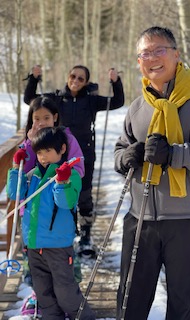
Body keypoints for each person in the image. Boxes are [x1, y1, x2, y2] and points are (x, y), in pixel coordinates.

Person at [114, 26, 190, 320]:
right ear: (138, 61)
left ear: (175, 54)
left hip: (187, 219)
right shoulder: (137, 107)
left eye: (160, 50)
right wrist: (125, 158)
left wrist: (173, 154)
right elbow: (120, 149)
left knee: (182, 305)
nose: (152, 58)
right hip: (140, 217)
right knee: (128, 301)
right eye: (145, 53)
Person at [24, 64, 125, 256]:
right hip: (54, 154)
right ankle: (66, 230)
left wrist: (115, 81)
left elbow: (117, 102)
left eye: (81, 78)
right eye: (73, 76)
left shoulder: (91, 100)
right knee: (57, 194)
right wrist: (34, 79)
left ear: (86, 82)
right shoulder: (57, 98)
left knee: (84, 193)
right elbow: (30, 99)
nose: (76, 81)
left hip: (83, 155)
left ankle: (86, 234)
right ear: (68, 77)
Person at [7, 127, 95, 320]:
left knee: (66, 294)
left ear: (62, 149)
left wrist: (62, 182)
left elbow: (66, 202)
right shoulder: (32, 176)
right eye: (39, 152)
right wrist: (16, 168)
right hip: (34, 246)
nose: (43, 156)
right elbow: (15, 194)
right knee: (44, 295)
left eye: (48, 151)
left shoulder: (71, 175)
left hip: (58, 247)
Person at [19, 95, 84, 286]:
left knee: (58, 257)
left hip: (57, 207)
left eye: (46, 118)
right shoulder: (30, 141)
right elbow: (24, 173)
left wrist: (63, 176)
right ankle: (37, 294)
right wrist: (28, 146)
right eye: (36, 118)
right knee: (32, 255)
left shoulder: (67, 139)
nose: (41, 123)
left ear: (55, 117)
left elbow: (78, 168)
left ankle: (67, 292)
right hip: (32, 209)